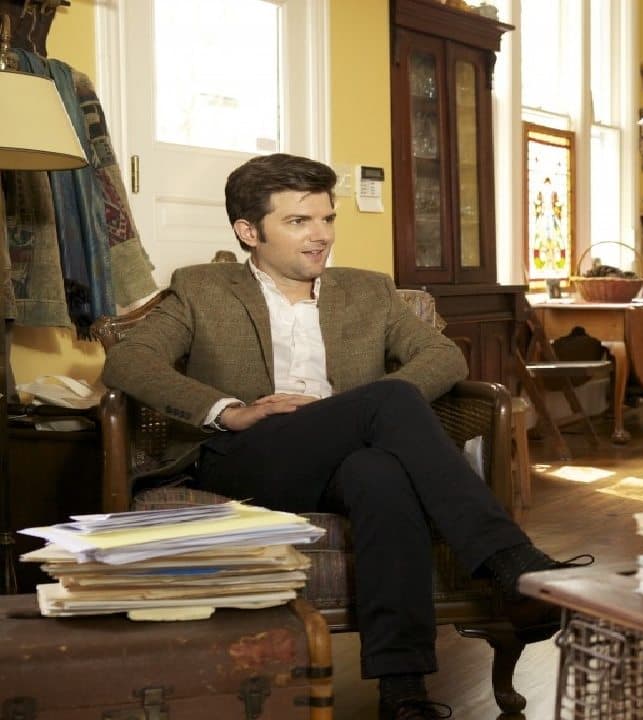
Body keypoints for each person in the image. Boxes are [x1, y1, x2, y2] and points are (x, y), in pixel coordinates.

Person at [101, 153, 585, 720]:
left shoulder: (369, 291)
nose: (321, 235)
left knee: (380, 475)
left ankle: (403, 692)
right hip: (249, 457)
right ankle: (511, 562)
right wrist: (227, 411)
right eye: (299, 221)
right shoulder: (201, 288)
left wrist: (361, 413)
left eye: (327, 219)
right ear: (249, 232)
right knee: (390, 401)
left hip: (348, 456)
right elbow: (129, 361)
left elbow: (442, 356)